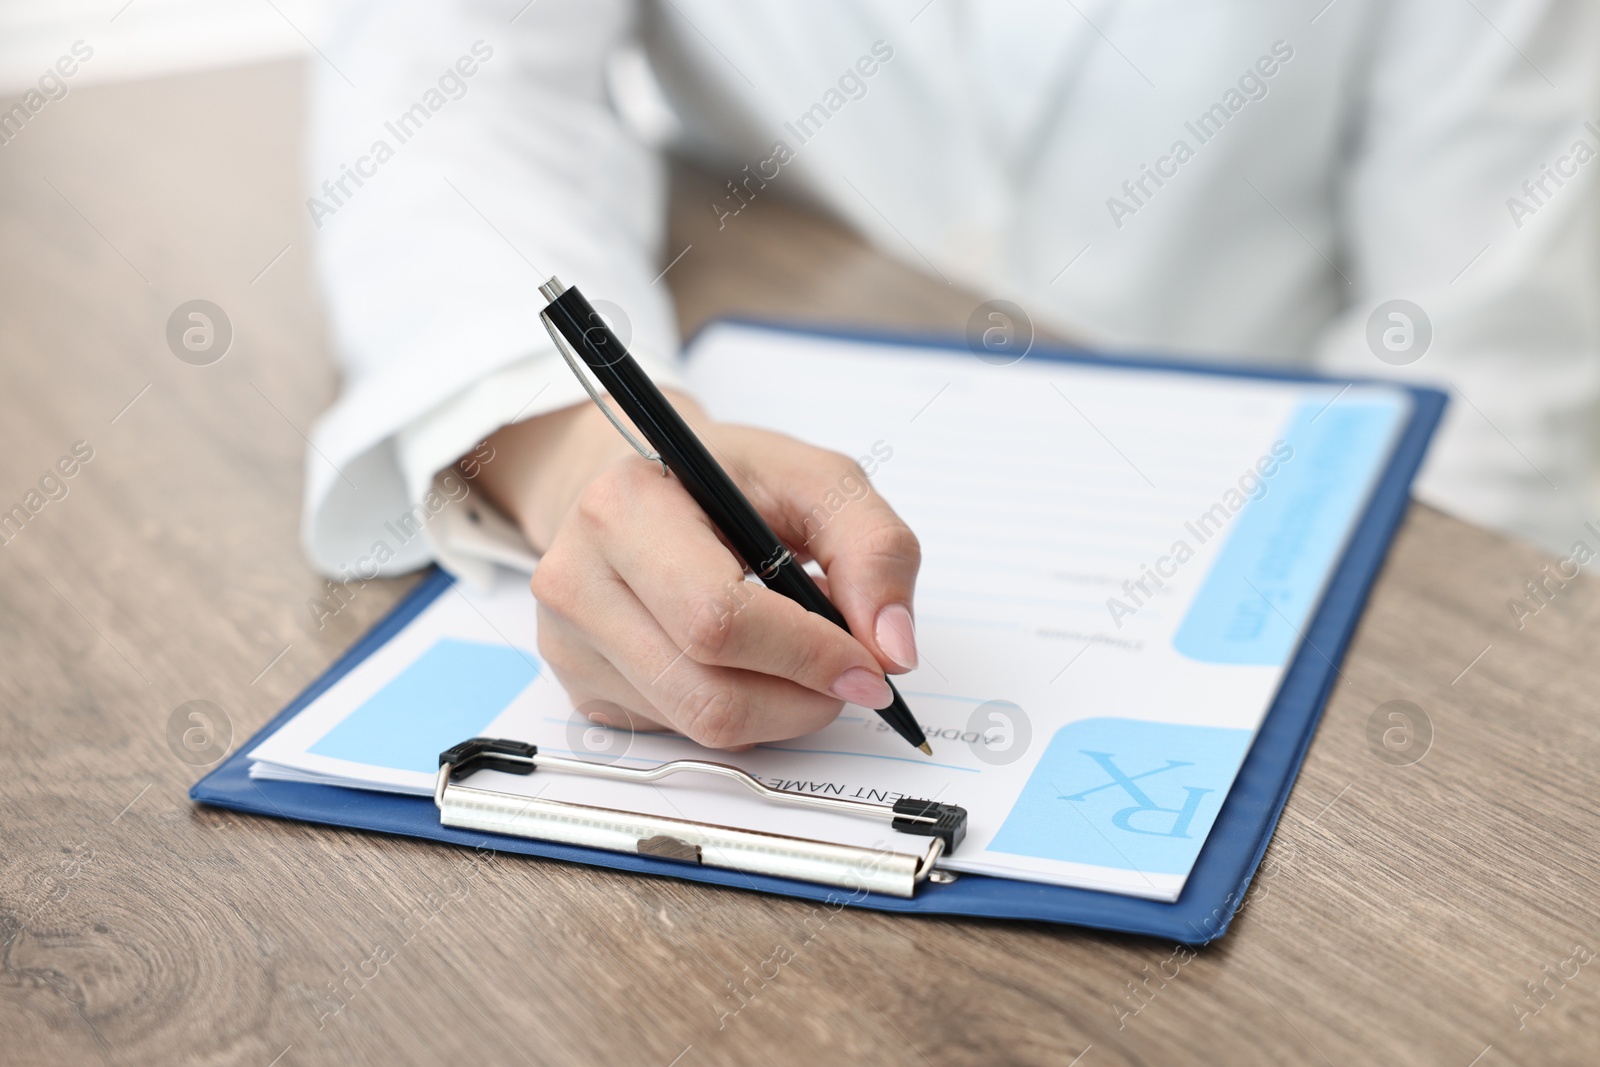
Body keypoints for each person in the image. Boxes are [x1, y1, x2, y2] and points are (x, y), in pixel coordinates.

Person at [301, 0, 1599, 747]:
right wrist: (573, 449)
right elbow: (444, 85)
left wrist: (1360, 721)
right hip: (771, 340)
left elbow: (1497, 354)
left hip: (1291, 525)